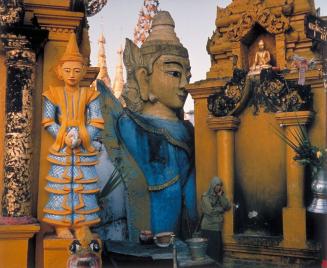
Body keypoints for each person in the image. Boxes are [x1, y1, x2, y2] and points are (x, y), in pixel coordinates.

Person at [96, 11, 197, 241]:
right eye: (174, 73)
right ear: (143, 79)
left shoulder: (189, 130)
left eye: (187, 76)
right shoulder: (130, 124)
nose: (184, 85)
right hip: (144, 230)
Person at [41, 33, 104, 238]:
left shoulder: (90, 94)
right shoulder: (53, 93)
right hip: (62, 146)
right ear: (59, 71)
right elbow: (48, 120)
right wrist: (64, 136)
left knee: (83, 187)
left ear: (84, 71)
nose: (72, 75)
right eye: (67, 70)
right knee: (61, 187)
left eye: (77, 70)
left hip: (83, 146)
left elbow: (97, 120)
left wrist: (83, 135)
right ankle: (61, 225)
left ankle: (82, 225)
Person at [201, 176, 231, 262]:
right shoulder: (205, 196)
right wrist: (220, 209)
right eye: (217, 185)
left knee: (218, 253)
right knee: (210, 253)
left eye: (220, 185)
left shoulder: (220, 194)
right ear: (212, 185)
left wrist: (220, 197)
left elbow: (227, 206)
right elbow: (210, 211)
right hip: (208, 228)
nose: (219, 187)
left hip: (217, 228)